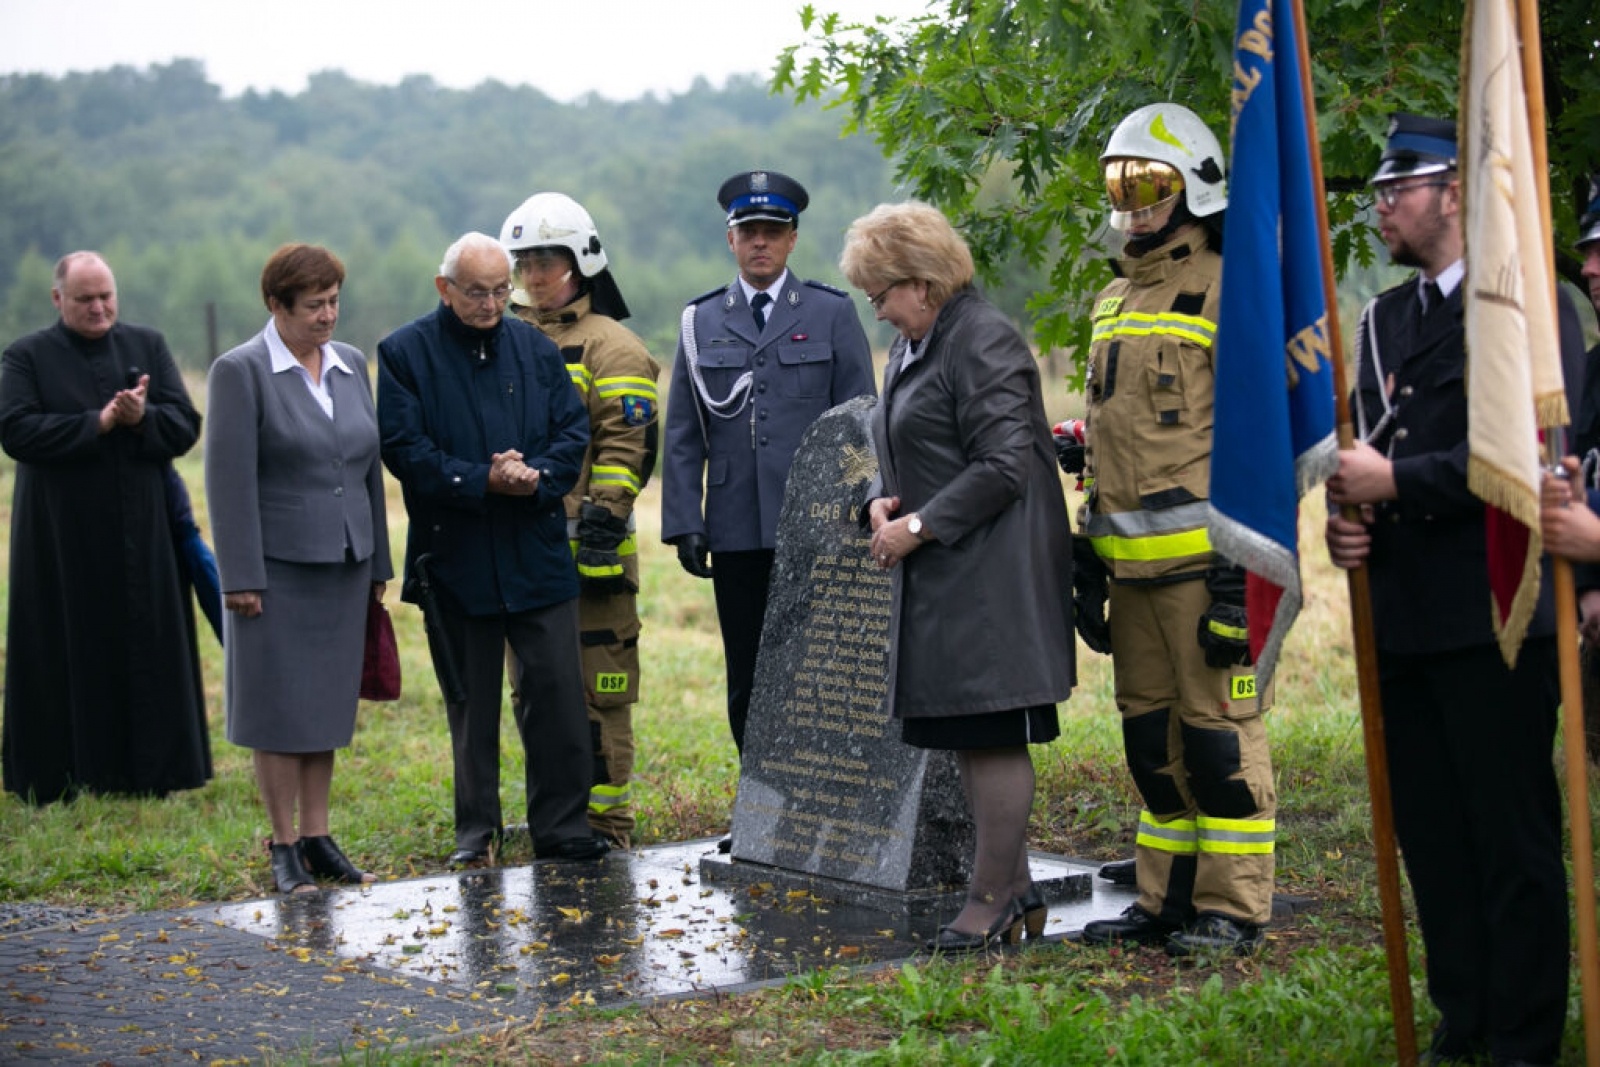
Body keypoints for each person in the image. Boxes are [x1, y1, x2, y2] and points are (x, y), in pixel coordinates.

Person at [1325, 114, 1572, 1065]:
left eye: (1399, 188)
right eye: (1379, 191)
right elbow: (1365, 451)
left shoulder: (1526, 308)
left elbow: (1528, 459)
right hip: (1405, 611)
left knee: (1509, 838)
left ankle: (1522, 1036)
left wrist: (1401, 485)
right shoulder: (1387, 320)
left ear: (1457, 193)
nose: (1382, 206)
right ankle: (1462, 1018)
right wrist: (1347, 518)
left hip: (1494, 609)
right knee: (1430, 832)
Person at [840, 201, 1076, 952]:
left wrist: (916, 526)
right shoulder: (921, 343)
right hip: (950, 573)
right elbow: (919, 440)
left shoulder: (983, 340)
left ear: (923, 281)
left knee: (995, 732)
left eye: (880, 295)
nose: (877, 312)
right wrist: (886, 495)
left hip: (992, 577)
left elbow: (1005, 465)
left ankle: (989, 900)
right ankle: (1017, 888)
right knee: (972, 736)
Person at [1075, 103, 1277, 958]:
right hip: (1129, 574)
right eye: (1121, 184)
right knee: (1150, 746)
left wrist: (1242, 573)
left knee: (1217, 740)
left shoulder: (1232, 289)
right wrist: (1086, 546)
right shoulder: (1113, 300)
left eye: (1150, 184)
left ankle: (1233, 908)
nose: (1135, 202)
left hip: (1204, 571)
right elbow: (1114, 436)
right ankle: (1167, 901)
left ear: (1194, 186)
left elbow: (1257, 439)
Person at [378, 232, 607, 867]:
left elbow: (572, 431)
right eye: (477, 291)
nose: (491, 303)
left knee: (557, 696)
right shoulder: (404, 354)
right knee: (471, 703)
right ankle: (476, 834)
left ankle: (562, 826)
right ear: (443, 288)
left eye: (502, 290)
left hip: (534, 548)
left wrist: (535, 476)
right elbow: (404, 448)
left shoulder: (536, 349)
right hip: (456, 553)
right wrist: (482, 478)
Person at [661, 169, 875, 764]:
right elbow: (682, 431)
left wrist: (858, 513)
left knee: (819, 671)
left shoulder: (831, 313)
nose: (760, 242)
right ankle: (760, 804)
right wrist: (685, 520)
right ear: (730, 239)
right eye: (748, 230)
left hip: (818, 526)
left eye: (772, 231)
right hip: (735, 528)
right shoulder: (701, 321)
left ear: (793, 239)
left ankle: (822, 795)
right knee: (748, 673)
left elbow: (863, 422)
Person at [206, 243, 392, 894]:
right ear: (275, 306)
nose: (327, 316)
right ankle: (283, 844)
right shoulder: (242, 371)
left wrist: (379, 563)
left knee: (324, 708)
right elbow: (228, 482)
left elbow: (367, 472)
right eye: (313, 305)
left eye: (334, 301)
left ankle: (318, 834)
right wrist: (240, 577)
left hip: (344, 561)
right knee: (277, 710)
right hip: (274, 570)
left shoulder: (349, 363)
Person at [0, 251, 211, 803]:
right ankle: (61, 777)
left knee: (145, 645)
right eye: (85, 299)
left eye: (106, 296)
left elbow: (185, 426)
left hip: (142, 535)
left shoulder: (147, 344)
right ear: (57, 300)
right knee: (64, 647)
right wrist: (96, 422)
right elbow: (16, 431)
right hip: (59, 540)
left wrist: (143, 419)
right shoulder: (26, 356)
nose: (99, 308)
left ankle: (151, 774)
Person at [499, 193, 662, 849]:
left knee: (602, 695)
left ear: (582, 261)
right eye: (526, 261)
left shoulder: (612, 346)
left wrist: (600, 525)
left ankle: (607, 823)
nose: (536, 275)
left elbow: (627, 450)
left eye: (549, 260)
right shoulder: (503, 341)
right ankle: (557, 818)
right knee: (535, 694)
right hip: (522, 556)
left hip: (592, 560)